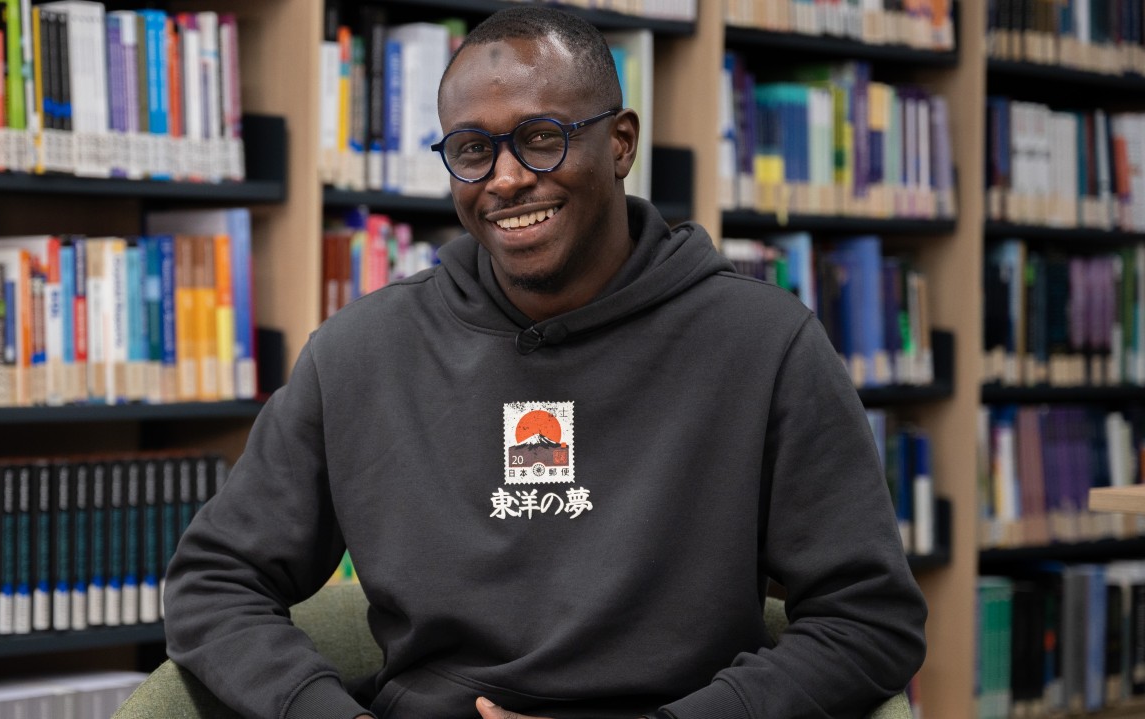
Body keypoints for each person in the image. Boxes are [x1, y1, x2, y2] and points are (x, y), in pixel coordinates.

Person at [163, 6, 927, 719]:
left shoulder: (766, 343)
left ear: (622, 141)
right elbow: (214, 582)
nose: (504, 179)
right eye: (472, 150)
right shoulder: (362, 351)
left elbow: (870, 620)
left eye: (539, 137)